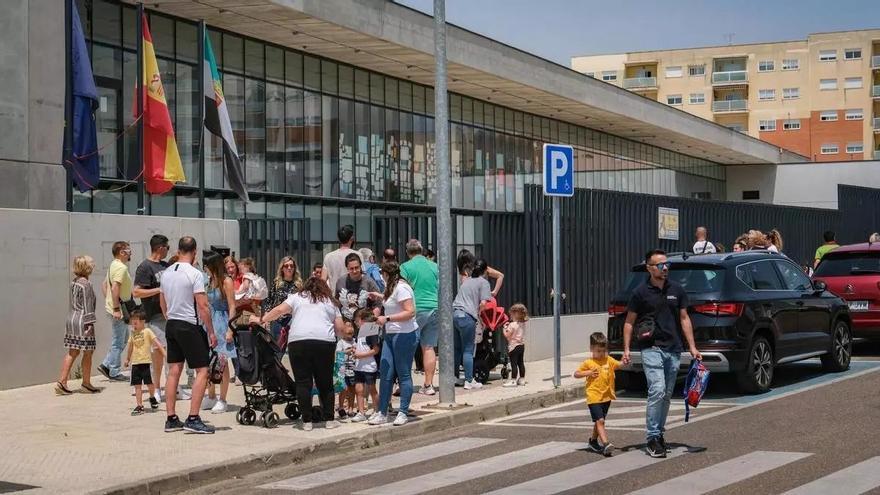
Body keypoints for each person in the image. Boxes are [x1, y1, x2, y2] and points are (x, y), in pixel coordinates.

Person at [622, 249, 701, 458]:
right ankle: (652, 437)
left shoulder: (677, 289)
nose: (665, 268)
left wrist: (692, 347)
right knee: (656, 390)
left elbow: (684, 319)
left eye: (667, 265)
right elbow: (629, 322)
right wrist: (627, 349)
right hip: (651, 348)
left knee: (666, 394)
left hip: (674, 348)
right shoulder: (640, 292)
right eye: (660, 265)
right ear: (649, 267)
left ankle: (660, 434)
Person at [256, 277, 345, 431]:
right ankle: (329, 420)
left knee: (303, 382)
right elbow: (340, 328)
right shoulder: (330, 301)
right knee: (325, 382)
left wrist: (262, 319)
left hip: (299, 342)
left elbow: (278, 310)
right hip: (324, 342)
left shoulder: (297, 297)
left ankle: (307, 421)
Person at [159, 236, 218, 434]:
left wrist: (170, 318)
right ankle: (193, 418)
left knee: (174, 370)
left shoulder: (166, 272)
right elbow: (202, 305)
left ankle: (171, 418)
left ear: (178, 249)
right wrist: (211, 331)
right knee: (202, 370)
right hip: (189, 324)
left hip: (172, 324)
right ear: (194, 252)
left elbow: (162, 301)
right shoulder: (195, 273)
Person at [368, 261, 418, 426]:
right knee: (386, 372)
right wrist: (379, 296)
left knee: (403, 373)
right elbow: (393, 302)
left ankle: (403, 411)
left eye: (382, 274)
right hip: (390, 334)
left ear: (387, 274)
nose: (381, 277)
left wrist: (387, 318)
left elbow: (410, 311)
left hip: (404, 334)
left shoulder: (402, 288)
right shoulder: (392, 288)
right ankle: (382, 412)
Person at [132, 234, 170, 400]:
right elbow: (136, 291)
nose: (168, 250)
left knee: (171, 352)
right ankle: (156, 388)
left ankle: (171, 387)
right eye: (167, 247)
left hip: (169, 314)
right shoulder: (145, 267)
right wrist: (158, 290)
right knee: (158, 353)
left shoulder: (165, 265)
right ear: (160, 247)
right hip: (155, 315)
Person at [400, 239, 440, 396]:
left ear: (408, 252)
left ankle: (404, 384)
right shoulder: (434, 266)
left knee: (407, 347)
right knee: (429, 347)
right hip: (435, 308)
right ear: (422, 251)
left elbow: (401, 288)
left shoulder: (405, 267)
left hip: (416, 309)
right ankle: (428, 385)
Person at [57, 255, 100, 395]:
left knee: (73, 351)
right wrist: (90, 323)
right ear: (87, 267)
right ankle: (86, 383)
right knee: (88, 352)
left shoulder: (74, 282)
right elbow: (88, 306)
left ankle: (62, 381)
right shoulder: (86, 284)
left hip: (72, 319)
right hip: (83, 321)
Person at [574, 332, 621, 457]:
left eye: (603, 351)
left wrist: (625, 361)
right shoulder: (588, 362)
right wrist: (588, 372)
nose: (601, 353)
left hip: (606, 396)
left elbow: (619, 365)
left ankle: (593, 441)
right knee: (600, 420)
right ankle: (606, 444)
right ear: (591, 349)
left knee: (599, 421)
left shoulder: (608, 360)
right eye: (598, 351)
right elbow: (576, 374)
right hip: (593, 396)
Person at [202, 252, 237, 414]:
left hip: (222, 322)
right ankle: (211, 395)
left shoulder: (226, 281)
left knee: (222, 362)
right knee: (208, 362)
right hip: (209, 323)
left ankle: (223, 399)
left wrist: (230, 328)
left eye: (207, 266)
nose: (205, 269)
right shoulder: (209, 281)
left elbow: (232, 306)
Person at [453, 259, 493, 389]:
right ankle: (469, 380)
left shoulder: (467, 281)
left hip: (455, 314)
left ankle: (455, 377)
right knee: (468, 350)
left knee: (457, 348)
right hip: (467, 316)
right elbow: (483, 303)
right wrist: (479, 315)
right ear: (485, 271)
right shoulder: (484, 283)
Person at [98, 241, 133, 382]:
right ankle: (113, 371)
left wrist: (109, 301)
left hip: (116, 308)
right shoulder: (121, 268)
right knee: (119, 341)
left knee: (123, 338)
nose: (131, 252)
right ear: (121, 252)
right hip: (119, 310)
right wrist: (116, 308)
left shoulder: (113, 265)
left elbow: (104, 285)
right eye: (128, 250)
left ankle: (106, 364)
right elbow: (114, 288)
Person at [123, 310, 164, 415]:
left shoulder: (147, 331)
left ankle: (152, 397)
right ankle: (139, 405)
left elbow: (157, 343)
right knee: (137, 385)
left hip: (146, 363)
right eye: (132, 322)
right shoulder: (132, 334)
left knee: (149, 384)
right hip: (135, 364)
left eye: (136, 322)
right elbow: (130, 347)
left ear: (142, 321)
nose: (134, 324)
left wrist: (164, 354)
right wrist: (127, 359)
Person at [263, 256, 303, 353]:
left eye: (291, 266)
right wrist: (266, 318)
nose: (289, 268)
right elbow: (269, 301)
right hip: (278, 322)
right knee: (277, 350)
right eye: (286, 266)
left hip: (293, 322)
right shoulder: (277, 283)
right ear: (282, 268)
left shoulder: (299, 284)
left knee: (293, 351)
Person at [350, 309, 380, 423]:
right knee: (359, 389)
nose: (355, 323)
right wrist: (354, 350)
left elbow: (375, 350)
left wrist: (361, 355)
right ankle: (361, 412)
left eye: (356, 321)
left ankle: (377, 410)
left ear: (362, 320)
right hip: (359, 366)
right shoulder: (359, 333)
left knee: (372, 389)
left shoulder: (371, 331)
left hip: (369, 365)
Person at [335, 253, 380, 321]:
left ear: (360, 266)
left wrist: (371, 321)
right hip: (346, 323)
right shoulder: (341, 282)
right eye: (351, 268)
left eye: (357, 267)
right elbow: (337, 303)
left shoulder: (369, 282)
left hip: (364, 322)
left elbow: (378, 304)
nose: (354, 271)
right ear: (347, 268)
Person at [502, 303, 528, 387]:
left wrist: (504, 328)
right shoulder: (522, 324)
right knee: (521, 363)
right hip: (521, 345)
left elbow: (507, 335)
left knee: (514, 364)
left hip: (513, 346)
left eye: (511, 314)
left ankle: (513, 380)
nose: (510, 316)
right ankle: (522, 379)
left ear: (515, 314)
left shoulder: (512, 325)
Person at [336, 318, 357, 419]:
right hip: (343, 370)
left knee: (353, 389)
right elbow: (338, 354)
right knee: (344, 389)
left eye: (351, 326)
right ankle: (340, 407)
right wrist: (347, 351)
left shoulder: (355, 341)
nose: (350, 329)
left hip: (353, 369)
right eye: (347, 326)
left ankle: (351, 408)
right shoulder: (341, 342)